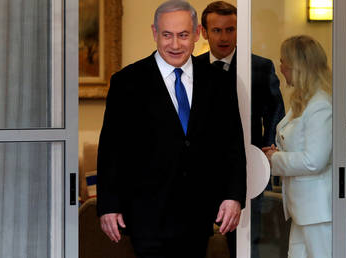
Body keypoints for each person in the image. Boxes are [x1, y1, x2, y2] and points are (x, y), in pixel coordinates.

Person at [96, 1, 247, 257]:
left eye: (183, 35)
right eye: (167, 35)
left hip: (198, 216)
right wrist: (108, 205)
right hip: (146, 216)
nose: (175, 45)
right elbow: (111, 149)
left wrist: (234, 196)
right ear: (155, 33)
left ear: (197, 33)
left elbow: (232, 144)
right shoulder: (127, 82)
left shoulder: (219, 82)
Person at [197, 2, 285, 257]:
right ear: (204, 32)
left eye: (230, 29)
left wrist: (265, 155)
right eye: (216, 30)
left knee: (246, 245)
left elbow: (275, 112)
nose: (224, 37)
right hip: (199, 173)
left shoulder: (260, 67)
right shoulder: (192, 68)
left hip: (247, 170)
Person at [263, 35, 334, 258]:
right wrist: (277, 153)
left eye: (283, 61)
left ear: (297, 66)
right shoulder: (303, 102)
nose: (281, 67)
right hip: (304, 209)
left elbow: (314, 160)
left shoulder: (321, 105)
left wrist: (274, 159)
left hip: (320, 210)